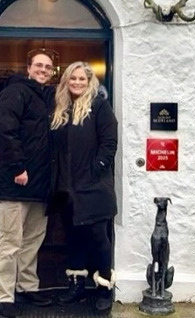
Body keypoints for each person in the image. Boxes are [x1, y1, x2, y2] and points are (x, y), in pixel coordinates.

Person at [0, 50, 55, 318]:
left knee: (32, 241)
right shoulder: (15, 92)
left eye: (48, 67)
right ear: (28, 68)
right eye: (39, 65)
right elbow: (5, 130)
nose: (43, 70)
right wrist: (17, 167)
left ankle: (27, 287)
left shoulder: (46, 97)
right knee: (10, 241)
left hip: (40, 185)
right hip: (16, 182)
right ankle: (2, 297)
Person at [50, 61, 118, 313]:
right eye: (73, 78)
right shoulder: (61, 109)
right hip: (67, 189)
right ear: (66, 81)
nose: (77, 82)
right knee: (74, 238)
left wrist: (95, 169)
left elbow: (109, 143)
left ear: (90, 82)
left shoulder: (99, 106)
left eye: (82, 79)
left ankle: (104, 288)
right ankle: (76, 286)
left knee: (99, 239)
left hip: (94, 188)